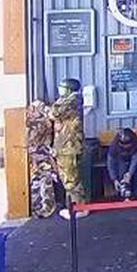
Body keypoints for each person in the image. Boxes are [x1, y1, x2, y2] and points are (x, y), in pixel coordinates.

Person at [51, 77, 88, 218]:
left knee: (71, 179)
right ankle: (76, 206)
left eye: (62, 88)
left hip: (68, 147)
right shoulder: (72, 101)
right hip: (66, 147)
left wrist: (56, 104)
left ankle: (78, 208)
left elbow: (54, 113)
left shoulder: (71, 101)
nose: (59, 90)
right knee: (69, 179)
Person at [106, 128, 137, 200]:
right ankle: (123, 190)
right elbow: (110, 163)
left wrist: (130, 173)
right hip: (120, 158)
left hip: (134, 156)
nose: (125, 147)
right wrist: (114, 179)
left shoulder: (136, 142)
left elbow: (135, 160)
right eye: (123, 146)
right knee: (121, 167)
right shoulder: (114, 146)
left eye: (127, 145)